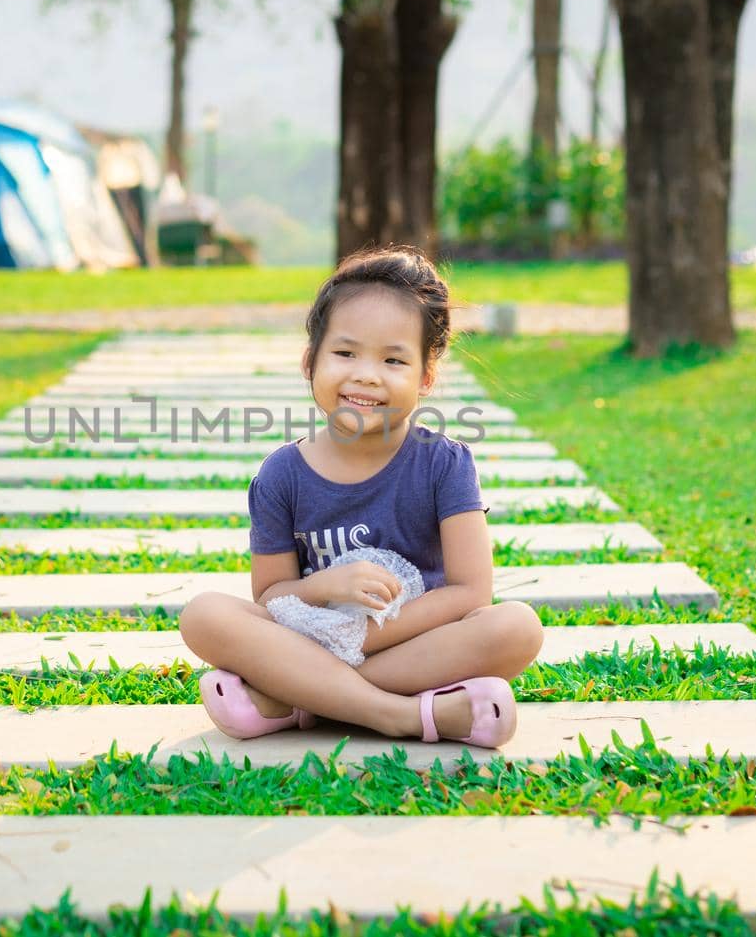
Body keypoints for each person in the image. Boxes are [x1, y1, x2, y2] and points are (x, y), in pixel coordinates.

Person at [177, 246, 545, 747]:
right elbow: (270, 597)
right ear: (310, 361)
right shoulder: (281, 475)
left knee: (516, 628)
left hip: (410, 644)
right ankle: (403, 715)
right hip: (311, 632)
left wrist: (355, 640)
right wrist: (327, 586)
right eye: (345, 353)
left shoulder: (444, 464)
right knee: (204, 615)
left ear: (426, 377)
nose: (366, 374)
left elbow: (470, 593)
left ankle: (296, 698)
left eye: (393, 360)